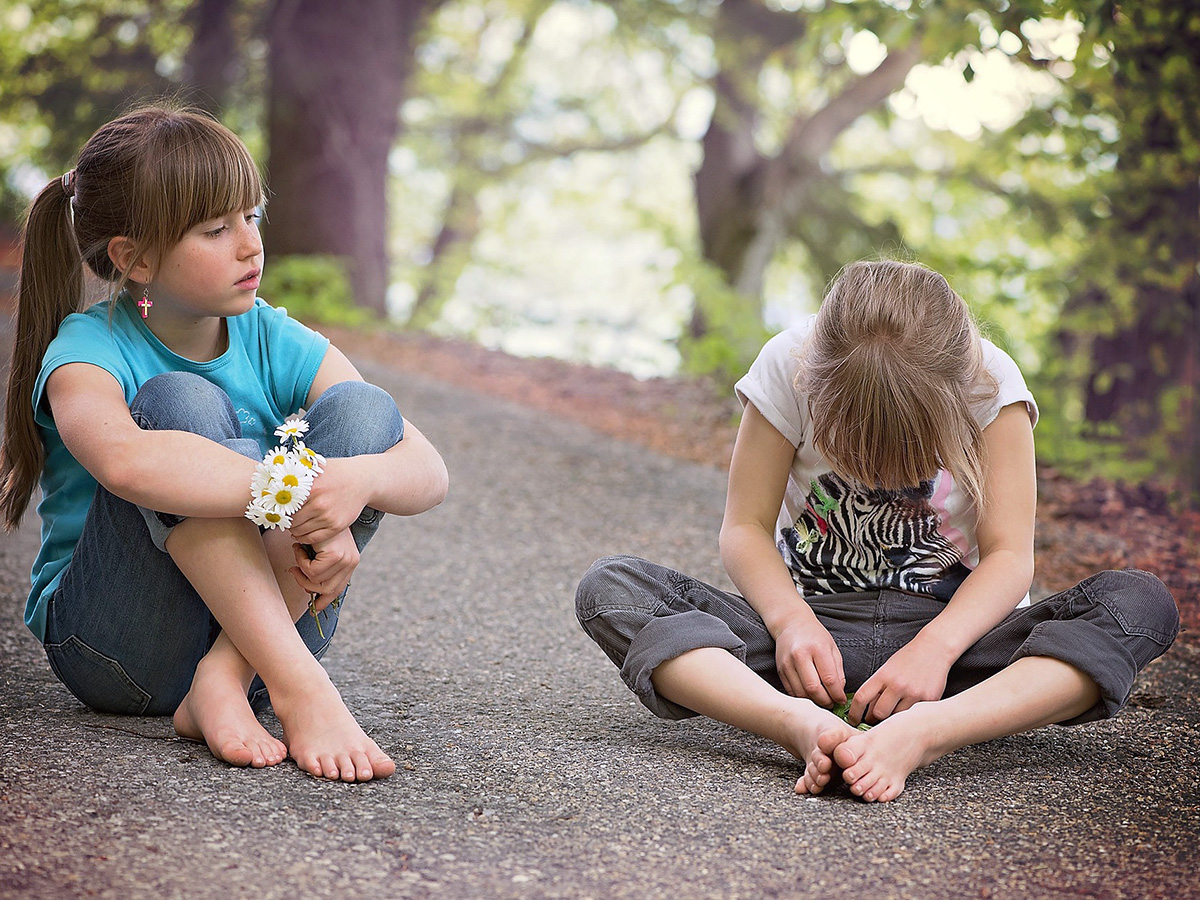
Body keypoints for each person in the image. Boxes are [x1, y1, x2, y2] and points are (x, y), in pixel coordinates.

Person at [575, 259, 1179, 802]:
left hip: (963, 648)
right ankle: (793, 723)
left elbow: (1008, 557)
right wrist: (789, 623)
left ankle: (926, 733)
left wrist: (935, 652)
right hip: (810, 645)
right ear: (816, 384)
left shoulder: (991, 384)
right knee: (611, 589)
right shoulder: (788, 365)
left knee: (1139, 604)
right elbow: (746, 528)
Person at [0, 105, 448, 783]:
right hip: (121, 648)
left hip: (264, 645)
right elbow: (126, 461)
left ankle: (226, 677)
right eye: (216, 229)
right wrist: (290, 492)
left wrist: (353, 486)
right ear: (135, 258)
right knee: (179, 405)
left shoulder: (272, 336)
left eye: (252, 218)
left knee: (363, 413)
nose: (250, 246)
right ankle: (303, 689)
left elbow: (424, 467)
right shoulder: (88, 352)